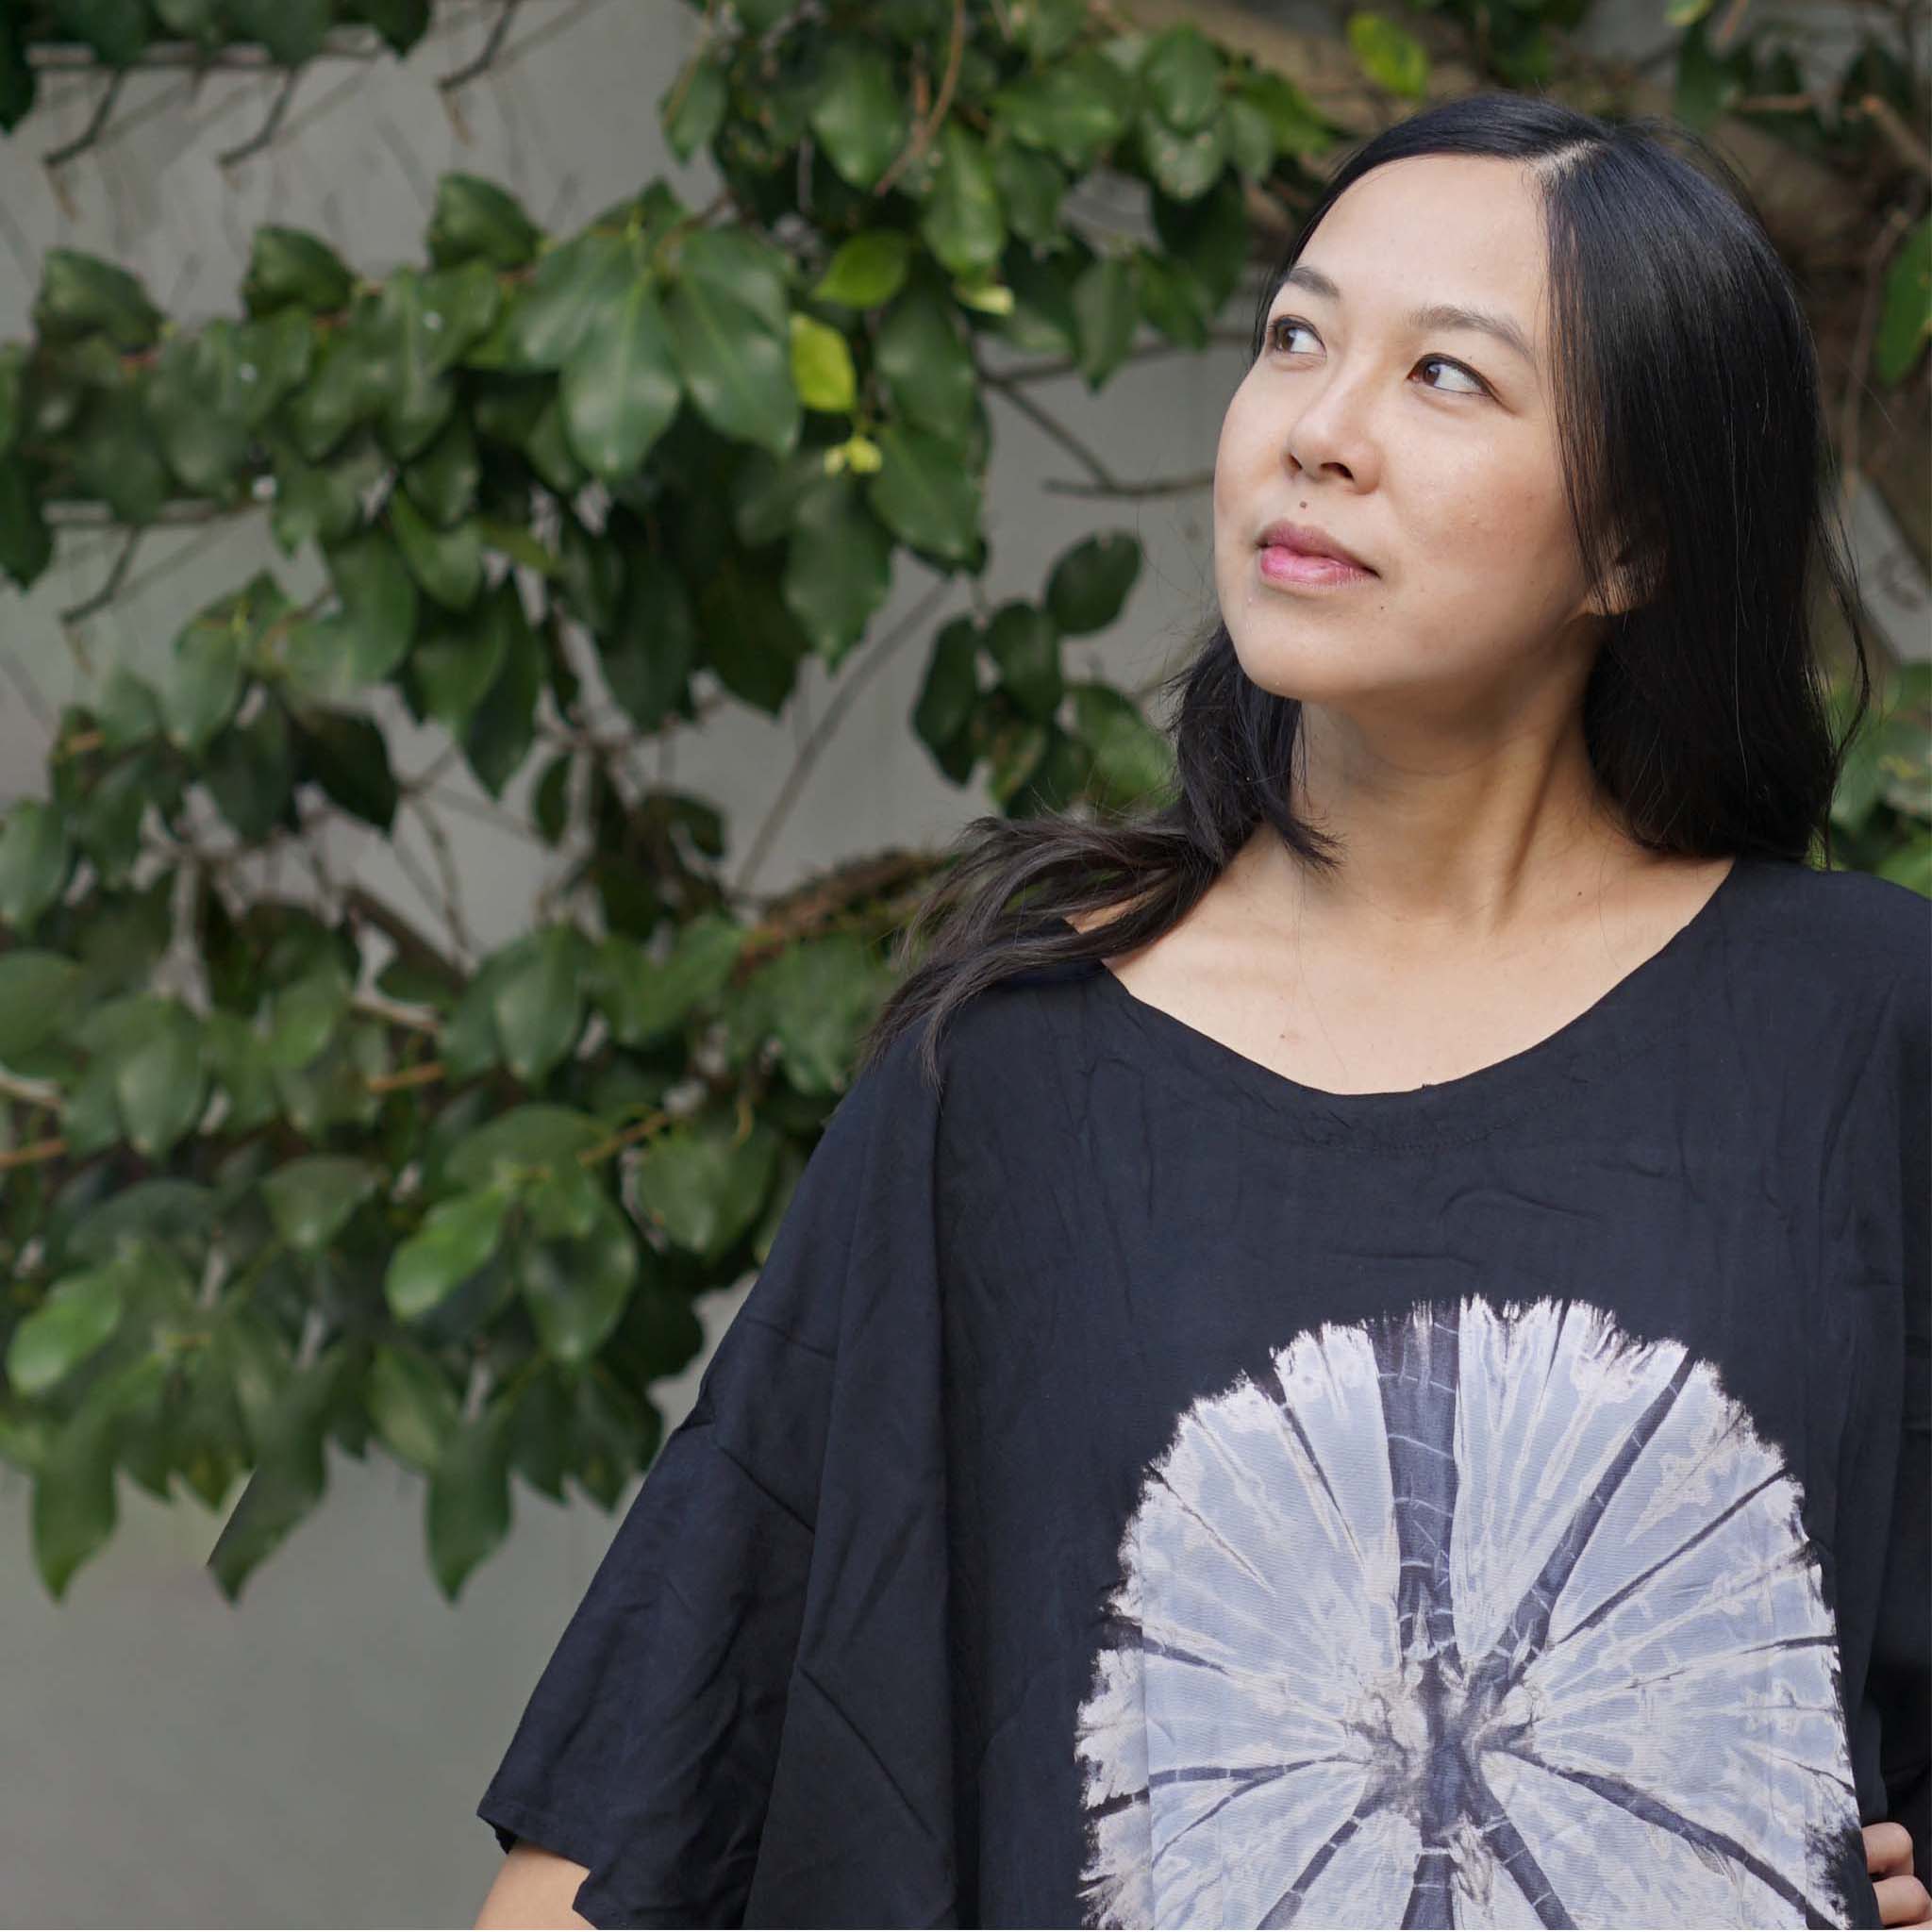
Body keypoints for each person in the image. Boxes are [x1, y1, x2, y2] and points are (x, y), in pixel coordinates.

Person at [472, 91, 1931, 1929]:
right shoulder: (1015, 1078)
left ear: (1631, 541)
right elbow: (662, 1783)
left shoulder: (1863, 1029)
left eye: (1446, 377)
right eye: (1295, 340)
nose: (1319, 432)